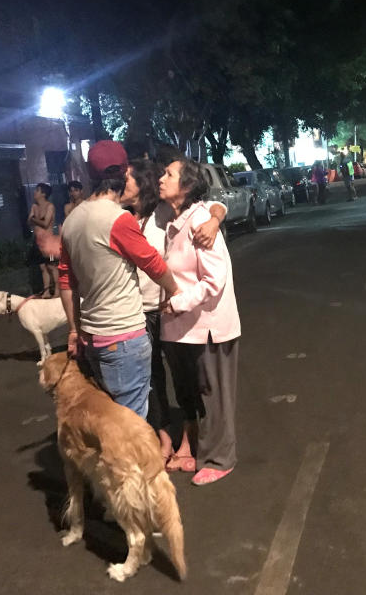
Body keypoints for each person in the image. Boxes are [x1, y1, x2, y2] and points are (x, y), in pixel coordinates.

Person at [58, 140, 180, 419]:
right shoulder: (117, 219)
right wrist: (174, 290)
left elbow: (66, 280)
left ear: (89, 174)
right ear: (125, 172)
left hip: (92, 338)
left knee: (110, 418)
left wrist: (74, 330)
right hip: (124, 336)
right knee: (131, 425)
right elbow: (152, 262)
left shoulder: (72, 221)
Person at [120, 159, 227, 469]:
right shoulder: (121, 218)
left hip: (167, 309)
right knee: (151, 378)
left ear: (142, 182)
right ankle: (165, 435)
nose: (119, 183)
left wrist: (214, 220)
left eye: (126, 178)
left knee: (188, 378)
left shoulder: (165, 212)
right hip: (136, 312)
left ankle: (191, 438)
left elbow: (212, 204)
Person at [158, 157, 242, 486]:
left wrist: (178, 302)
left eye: (169, 174)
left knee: (213, 395)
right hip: (179, 327)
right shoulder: (172, 219)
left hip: (207, 326)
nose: (162, 179)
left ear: (188, 186)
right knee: (191, 393)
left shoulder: (201, 222)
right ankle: (197, 448)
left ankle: (220, 458)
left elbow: (214, 280)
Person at [28, 182, 59, 297]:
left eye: (37, 190)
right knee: (42, 267)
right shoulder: (34, 206)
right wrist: (34, 219)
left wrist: (34, 219)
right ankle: (46, 291)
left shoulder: (50, 206)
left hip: (48, 243)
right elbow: (28, 221)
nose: (34, 193)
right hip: (38, 242)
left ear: (43, 194)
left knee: (51, 266)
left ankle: (57, 290)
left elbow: (46, 223)